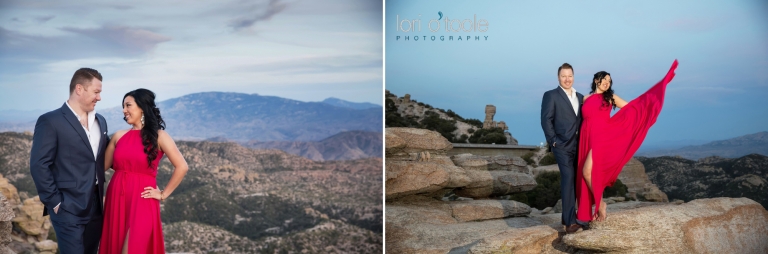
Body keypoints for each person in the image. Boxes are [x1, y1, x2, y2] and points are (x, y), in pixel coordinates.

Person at [576, 60, 678, 224]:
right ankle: (593, 210)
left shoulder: (610, 97)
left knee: (587, 172)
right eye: (605, 80)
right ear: (596, 80)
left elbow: (631, 108)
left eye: (610, 81)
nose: (607, 83)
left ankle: (601, 204)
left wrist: (647, 105)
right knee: (590, 172)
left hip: (602, 137)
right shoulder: (585, 98)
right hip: (586, 137)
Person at [99, 88, 188, 254]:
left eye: (128, 105)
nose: (124, 110)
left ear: (142, 107)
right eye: (123, 106)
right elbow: (101, 166)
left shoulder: (159, 136)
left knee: (132, 249)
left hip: (143, 199)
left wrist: (163, 194)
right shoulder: (119, 136)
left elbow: (182, 166)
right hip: (116, 198)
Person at [30, 68, 108, 253]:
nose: (99, 98)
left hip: (97, 207)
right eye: (96, 92)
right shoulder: (50, 120)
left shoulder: (101, 121)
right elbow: (39, 165)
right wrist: (55, 203)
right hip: (67, 207)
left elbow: (106, 155)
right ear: (79, 89)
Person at [541, 63, 585, 234]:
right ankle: (569, 223)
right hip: (561, 146)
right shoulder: (551, 95)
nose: (567, 79)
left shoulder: (581, 97)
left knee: (576, 180)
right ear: (558, 77)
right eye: (563, 76)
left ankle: (577, 217)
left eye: (570, 76)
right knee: (568, 179)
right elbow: (546, 119)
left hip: (579, 145)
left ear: (573, 77)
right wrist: (553, 141)